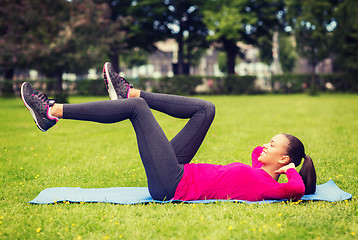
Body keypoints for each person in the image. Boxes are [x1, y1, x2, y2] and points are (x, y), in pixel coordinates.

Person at [20, 62, 316, 202]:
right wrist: (277, 164)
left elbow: (297, 189)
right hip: (178, 170)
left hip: (173, 184)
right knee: (206, 109)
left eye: (273, 144)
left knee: (137, 110)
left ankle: (51, 113)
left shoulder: (274, 187)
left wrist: (291, 170)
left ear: (284, 159)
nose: (265, 145)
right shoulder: (261, 173)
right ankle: (130, 91)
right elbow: (256, 156)